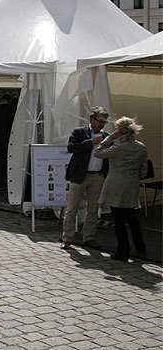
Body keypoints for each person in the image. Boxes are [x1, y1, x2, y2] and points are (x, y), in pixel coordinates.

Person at [94, 117, 148, 261]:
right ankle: (140, 245)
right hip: (131, 184)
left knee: (119, 219)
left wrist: (109, 139)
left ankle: (123, 251)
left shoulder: (118, 148)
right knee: (131, 217)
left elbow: (98, 152)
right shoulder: (141, 147)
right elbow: (144, 170)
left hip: (116, 184)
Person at [61, 106, 110, 250]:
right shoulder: (79, 132)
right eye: (100, 121)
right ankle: (67, 238)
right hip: (80, 175)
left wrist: (104, 172)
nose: (101, 124)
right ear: (91, 119)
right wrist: (91, 143)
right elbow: (71, 148)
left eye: (104, 122)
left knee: (93, 208)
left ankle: (89, 237)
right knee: (72, 208)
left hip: (97, 175)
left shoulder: (106, 136)